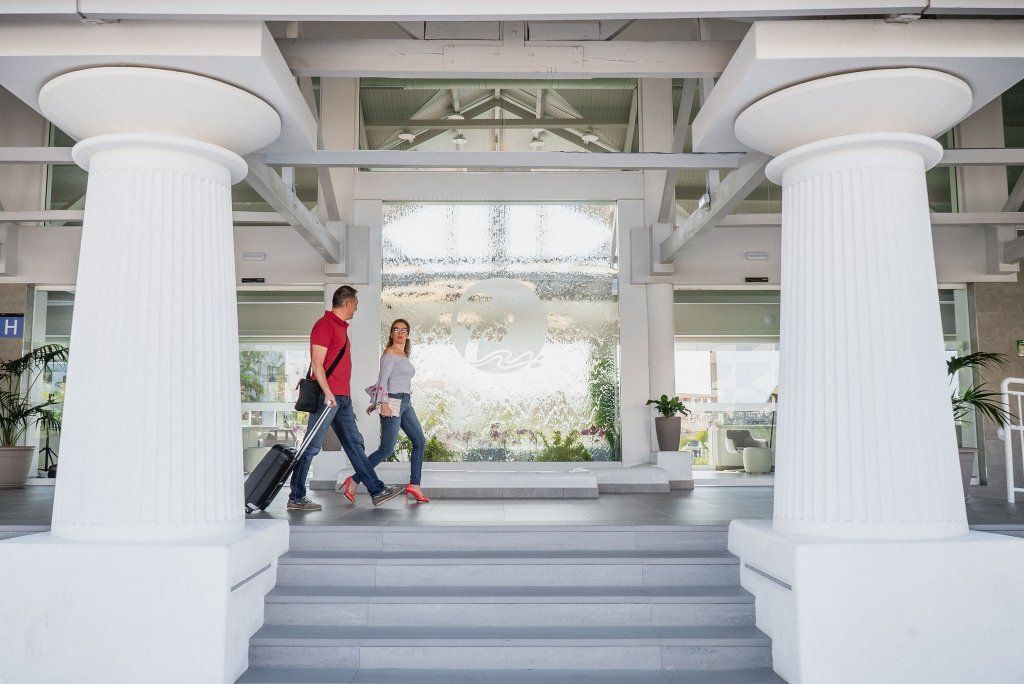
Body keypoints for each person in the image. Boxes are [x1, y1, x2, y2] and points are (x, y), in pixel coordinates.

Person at [288, 285, 402, 510]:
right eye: (356, 305)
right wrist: (329, 393)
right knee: (311, 447)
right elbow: (318, 365)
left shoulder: (340, 327)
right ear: (348, 303)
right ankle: (296, 497)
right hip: (327, 398)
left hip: (342, 398)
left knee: (354, 445)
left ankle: (377, 491)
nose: (356, 309)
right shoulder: (324, 325)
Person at [339, 318, 429, 504]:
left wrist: (376, 402)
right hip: (393, 402)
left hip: (406, 402)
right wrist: (384, 403)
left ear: (408, 334)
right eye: (396, 329)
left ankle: (415, 484)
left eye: (404, 330)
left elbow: (396, 380)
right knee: (386, 449)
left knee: (419, 441)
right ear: (391, 333)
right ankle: (354, 479)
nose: (400, 333)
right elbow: (382, 379)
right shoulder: (389, 352)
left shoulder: (403, 354)